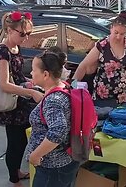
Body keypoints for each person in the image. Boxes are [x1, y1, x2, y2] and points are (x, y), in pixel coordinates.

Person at [0, 11, 43, 187]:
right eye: (22, 34)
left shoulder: (15, 48)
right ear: (9, 30)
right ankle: (14, 179)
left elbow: (17, 76)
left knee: (21, 141)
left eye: (28, 34)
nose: (26, 38)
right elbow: (4, 84)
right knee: (15, 144)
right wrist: (31, 93)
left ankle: (17, 172)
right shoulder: (3, 51)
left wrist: (32, 82)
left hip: (19, 102)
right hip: (11, 105)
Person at [72, 11, 126, 107]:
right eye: (116, 33)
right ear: (111, 29)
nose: (118, 37)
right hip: (106, 97)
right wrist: (73, 84)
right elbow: (84, 66)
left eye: (122, 34)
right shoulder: (102, 45)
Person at [26, 51, 79, 187]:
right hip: (66, 162)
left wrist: (36, 155)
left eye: (33, 70)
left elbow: (58, 131)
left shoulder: (53, 101)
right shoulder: (65, 87)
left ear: (45, 74)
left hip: (52, 168)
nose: (31, 73)